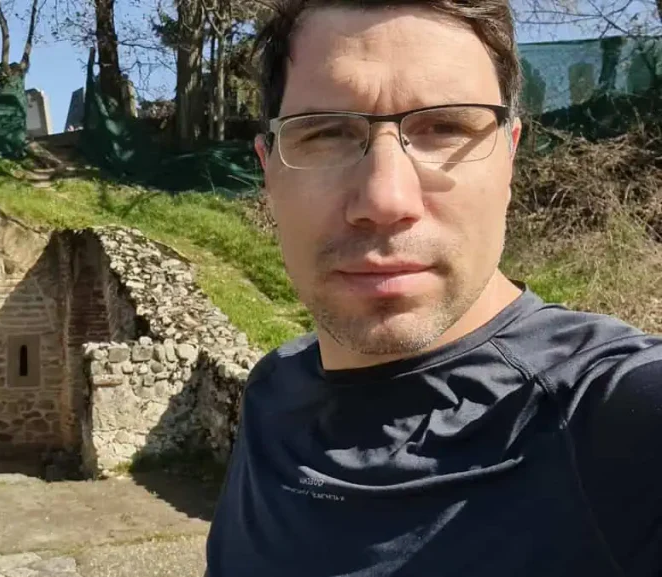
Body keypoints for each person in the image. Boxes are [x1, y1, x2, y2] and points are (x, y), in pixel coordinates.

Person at [203, 1, 662, 576]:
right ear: (268, 172)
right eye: (325, 133)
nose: (385, 200)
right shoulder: (273, 392)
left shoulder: (620, 423)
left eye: (446, 127)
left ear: (510, 158)